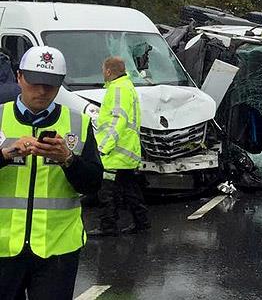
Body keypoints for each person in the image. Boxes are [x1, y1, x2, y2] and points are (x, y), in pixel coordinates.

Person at [0, 46, 103, 300]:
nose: (43, 91)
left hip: (57, 250)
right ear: (19, 77)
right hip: (3, 249)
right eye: (35, 82)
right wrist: (6, 155)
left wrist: (68, 160)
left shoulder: (78, 123)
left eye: (51, 84)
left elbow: (93, 184)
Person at [88, 56, 150, 237]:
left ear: (108, 71)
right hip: (127, 151)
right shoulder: (127, 86)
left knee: (106, 192)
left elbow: (117, 121)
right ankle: (142, 223)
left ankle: (108, 226)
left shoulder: (117, 89)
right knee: (130, 190)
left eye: (103, 70)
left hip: (115, 153)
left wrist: (103, 147)